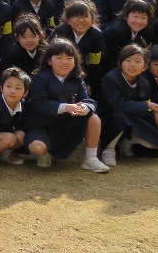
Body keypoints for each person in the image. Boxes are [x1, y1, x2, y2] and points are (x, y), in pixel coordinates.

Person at [23, 38, 109, 173]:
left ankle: (91, 158)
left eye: (69, 58)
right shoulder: (40, 78)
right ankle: (45, 154)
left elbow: (87, 101)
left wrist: (84, 108)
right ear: (49, 61)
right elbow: (38, 104)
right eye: (59, 58)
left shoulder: (77, 79)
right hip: (43, 124)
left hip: (69, 124)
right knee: (37, 147)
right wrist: (65, 107)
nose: (65, 62)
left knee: (94, 118)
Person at [95, 45, 158, 167]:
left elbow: (144, 109)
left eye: (138, 61)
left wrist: (150, 109)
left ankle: (127, 141)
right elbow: (117, 105)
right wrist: (146, 106)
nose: (132, 65)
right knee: (120, 116)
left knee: (157, 144)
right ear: (120, 63)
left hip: (131, 118)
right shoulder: (110, 79)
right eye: (128, 60)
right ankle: (109, 149)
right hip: (108, 120)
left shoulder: (144, 83)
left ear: (144, 66)